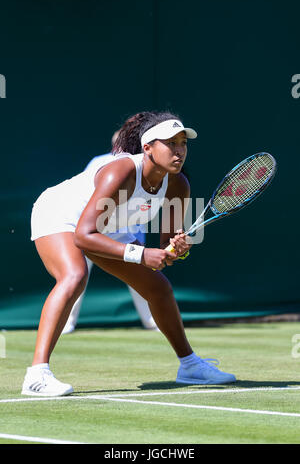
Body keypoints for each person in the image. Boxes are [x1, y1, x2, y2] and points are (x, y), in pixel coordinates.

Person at [22, 111, 236, 396]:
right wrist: (142, 255)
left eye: (183, 143)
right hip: (63, 215)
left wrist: (177, 250)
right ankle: (37, 374)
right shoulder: (120, 171)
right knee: (74, 275)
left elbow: (165, 248)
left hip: (110, 225)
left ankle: (190, 366)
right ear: (147, 147)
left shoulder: (178, 184)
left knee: (158, 288)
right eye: (170, 143)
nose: (179, 150)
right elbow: (84, 236)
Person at [62, 142, 157, 334]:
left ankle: (154, 321)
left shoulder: (145, 167)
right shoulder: (101, 162)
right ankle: (66, 323)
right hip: (94, 230)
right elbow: (90, 195)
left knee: (141, 274)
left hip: (128, 228)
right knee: (76, 275)